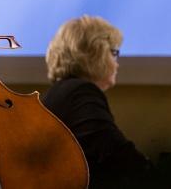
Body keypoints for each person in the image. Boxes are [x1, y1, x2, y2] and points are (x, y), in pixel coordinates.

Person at [41, 15, 152, 189]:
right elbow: (116, 155)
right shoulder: (81, 93)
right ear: (95, 53)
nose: (117, 64)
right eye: (114, 53)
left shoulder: (62, 92)